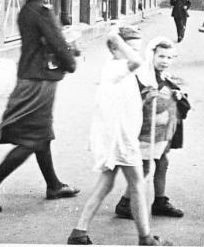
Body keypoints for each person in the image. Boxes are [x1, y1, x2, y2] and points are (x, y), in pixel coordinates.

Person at [0, 0, 79, 212]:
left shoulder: (27, 10)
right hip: (39, 82)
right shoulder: (42, 11)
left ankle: (53, 185)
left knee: (41, 133)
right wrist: (71, 60)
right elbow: (57, 44)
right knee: (33, 138)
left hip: (29, 77)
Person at [67, 27, 171, 246]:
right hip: (120, 138)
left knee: (106, 184)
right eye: (129, 48)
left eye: (137, 49)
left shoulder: (121, 69)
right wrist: (115, 37)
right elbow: (138, 62)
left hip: (118, 136)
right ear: (115, 49)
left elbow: (126, 100)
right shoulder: (116, 67)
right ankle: (145, 238)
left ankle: (79, 231)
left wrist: (146, 98)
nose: (135, 53)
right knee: (137, 185)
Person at [116, 37, 188, 220]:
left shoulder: (165, 77)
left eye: (169, 57)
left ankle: (160, 201)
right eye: (161, 56)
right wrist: (146, 97)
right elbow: (132, 101)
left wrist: (177, 95)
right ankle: (125, 203)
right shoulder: (143, 76)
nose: (165, 61)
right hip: (148, 130)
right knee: (144, 166)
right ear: (152, 55)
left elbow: (172, 93)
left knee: (162, 162)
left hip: (163, 131)